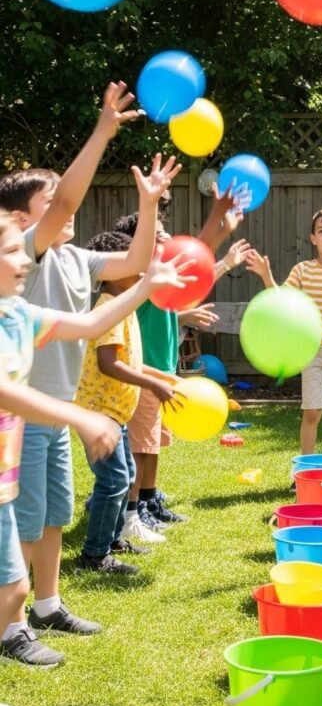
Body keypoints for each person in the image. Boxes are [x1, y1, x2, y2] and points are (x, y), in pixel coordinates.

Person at [0, 81, 180, 668]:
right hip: (24, 417)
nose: (63, 207)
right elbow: (68, 206)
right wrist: (103, 129)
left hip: (55, 409)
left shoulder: (73, 264)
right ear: (23, 221)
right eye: (49, 200)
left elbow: (130, 268)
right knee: (21, 529)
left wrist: (150, 207)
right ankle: (14, 624)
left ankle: (46, 603)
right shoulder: (32, 254)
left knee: (52, 515)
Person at [0, 209, 189, 706]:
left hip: (5, 483)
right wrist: (81, 416)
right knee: (8, 590)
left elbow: (85, 326)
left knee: (13, 589)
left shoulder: (20, 312)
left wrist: (147, 284)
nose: (23, 261)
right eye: (11, 252)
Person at [114, 197, 249, 527]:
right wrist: (216, 218)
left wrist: (221, 242)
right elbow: (195, 256)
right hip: (143, 372)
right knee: (141, 445)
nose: (166, 238)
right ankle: (132, 513)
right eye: (158, 234)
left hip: (162, 368)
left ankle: (148, 498)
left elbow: (194, 269)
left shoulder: (156, 277)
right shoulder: (140, 274)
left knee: (154, 442)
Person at [75, 231, 182, 572]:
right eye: (130, 261)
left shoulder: (125, 306)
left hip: (115, 411)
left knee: (127, 474)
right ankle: (94, 556)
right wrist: (152, 381)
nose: (139, 268)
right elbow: (109, 363)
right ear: (109, 271)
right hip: (98, 411)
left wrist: (162, 376)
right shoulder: (109, 308)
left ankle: (112, 537)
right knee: (113, 480)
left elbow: (131, 360)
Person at [246, 208, 322, 461]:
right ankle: (304, 468)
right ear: (313, 238)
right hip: (311, 351)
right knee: (312, 411)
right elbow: (281, 298)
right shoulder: (303, 270)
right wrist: (265, 275)